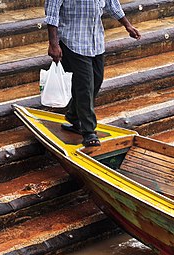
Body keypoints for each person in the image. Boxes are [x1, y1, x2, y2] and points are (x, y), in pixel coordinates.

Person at [45, 0, 140, 147]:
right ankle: (89, 131)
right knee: (85, 86)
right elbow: (52, 13)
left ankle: (74, 116)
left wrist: (128, 25)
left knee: (97, 80)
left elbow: (112, 4)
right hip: (73, 40)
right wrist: (53, 44)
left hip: (95, 41)